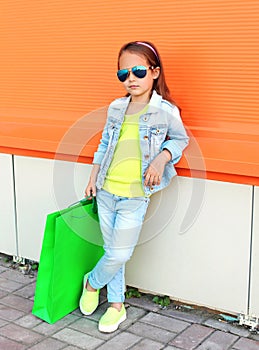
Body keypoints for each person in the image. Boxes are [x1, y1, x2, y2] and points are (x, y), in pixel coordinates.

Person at [80, 41, 189, 333]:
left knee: (119, 253)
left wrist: (161, 160)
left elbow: (180, 140)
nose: (131, 78)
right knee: (111, 249)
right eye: (123, 73)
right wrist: (93, 177)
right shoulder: (116, 107)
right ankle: (117, 307)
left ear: (154, 72)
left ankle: (91, 282)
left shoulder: (165, 111)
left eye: (138, 71)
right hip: (105, 190)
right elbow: (105, 143)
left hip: (135, 195)